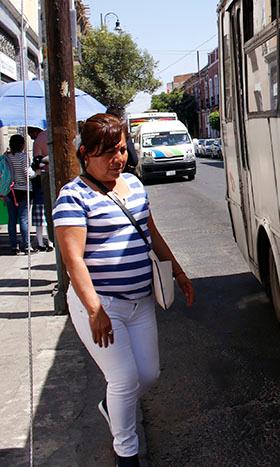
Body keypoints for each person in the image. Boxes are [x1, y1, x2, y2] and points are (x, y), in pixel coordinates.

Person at [53, 113, 195, 467]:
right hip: (104, 305)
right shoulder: (73, 197)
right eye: (107, 153)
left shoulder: (134, 184)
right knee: (124, 378)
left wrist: (178, 271)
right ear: (85, 154)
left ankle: (113, 407)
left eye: (121, 150)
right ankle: (126, 454)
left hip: (140, 301)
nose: (118, 159)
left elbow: (151, 233)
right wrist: (94, 309)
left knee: (148, 375)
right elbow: (74, 261)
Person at [4, 134, 34, 254]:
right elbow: (28, 174)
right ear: (22, 145)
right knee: (23, 219)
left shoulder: (6, 157)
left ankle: (13, 246)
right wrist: (35, 173)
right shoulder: (24, 157)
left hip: (9, 190)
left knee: (12, 219)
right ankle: (27, 245)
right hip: (24, 190)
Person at [28, 126, 53, 251]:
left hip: (45, 178)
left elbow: (37, 163)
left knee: (44, 213)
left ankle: (43, 242)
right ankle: (50, 242)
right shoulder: (53, 133)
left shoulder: (39, 139)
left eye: (30, 133)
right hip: (62, 177)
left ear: (35, 131)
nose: (30, 137)